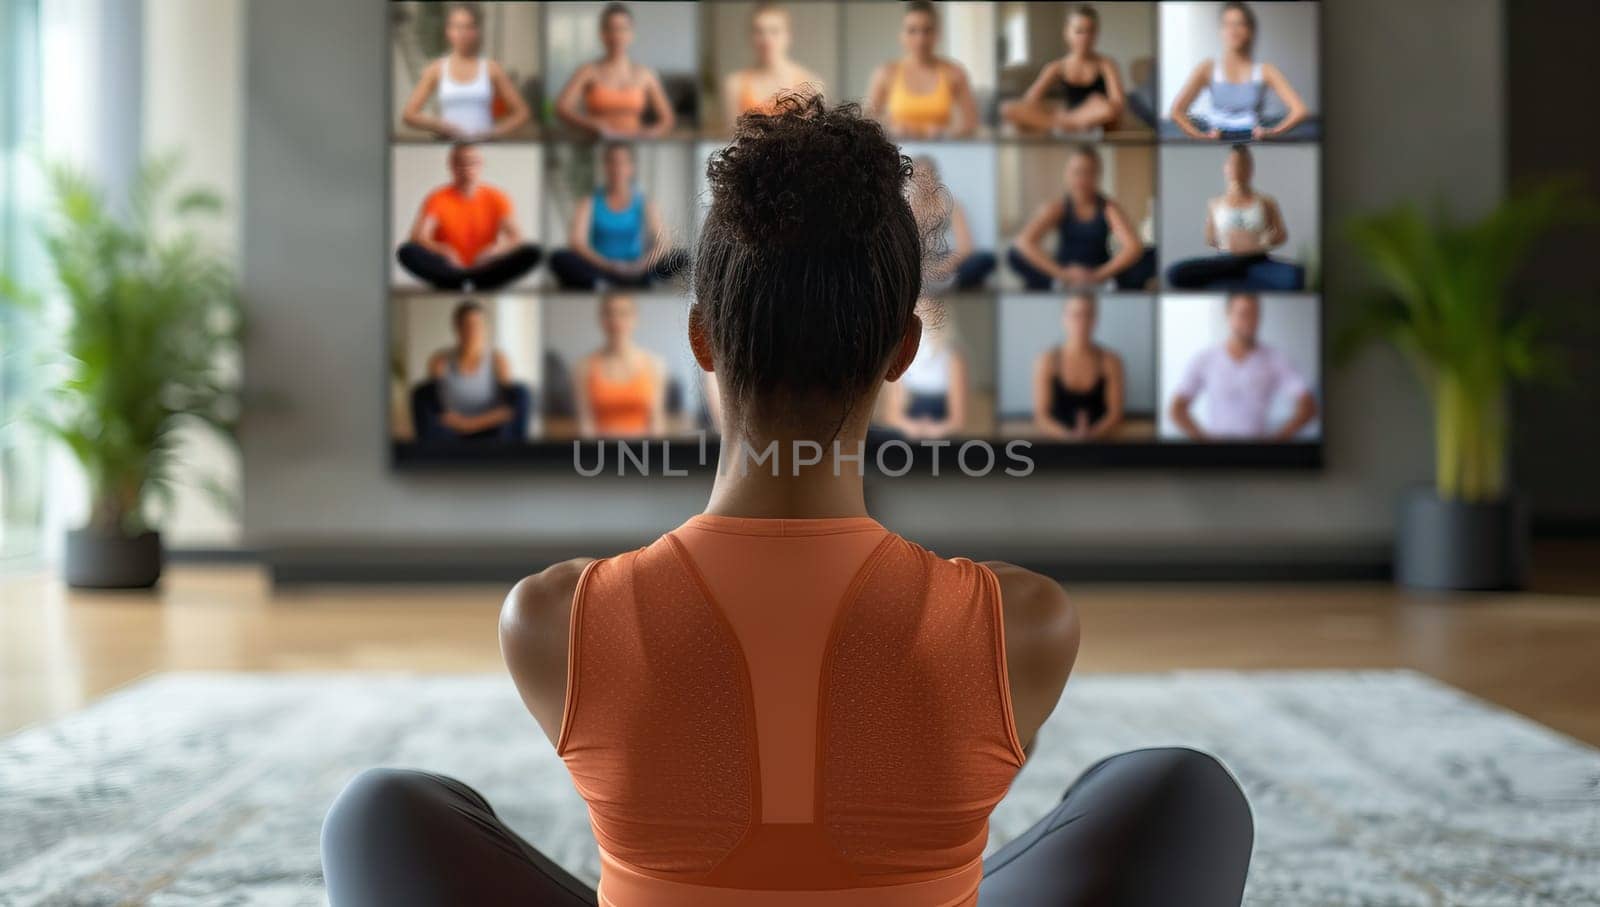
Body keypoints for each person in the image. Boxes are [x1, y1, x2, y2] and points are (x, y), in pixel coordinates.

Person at [323, 96, 1253, 907]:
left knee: (381, 812)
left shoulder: (552, 618)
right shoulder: (1024, 621)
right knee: (1181, 791)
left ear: (701, 338)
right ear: (901, 350)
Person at [1169, 292, 1318, 441]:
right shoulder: (1205, 359)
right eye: (1243, 314)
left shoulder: (1276, 359)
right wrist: (1203, 441)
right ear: (1228, 315)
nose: (1250, 321)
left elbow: (1308, 405)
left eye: (1255, 314)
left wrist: (1278, 440)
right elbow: (1177, 409)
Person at [395, 143, 542, 291]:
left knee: (533, 252)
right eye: (461, 162)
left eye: (472, 162)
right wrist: (443, 250)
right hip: (449, 268)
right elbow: (418, 236)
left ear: (481, 164)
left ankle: (473, 281)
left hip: (485, 268)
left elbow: (516, 238)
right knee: (407, 251)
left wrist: (494, 251)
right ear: (451, 165)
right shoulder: (437, 198)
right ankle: (458, 280)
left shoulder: (497, 197)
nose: (467, 167)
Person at [1007, 144, 1153, 291]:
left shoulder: (1108, 207)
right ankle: (1057, 283)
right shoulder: (1058, 207)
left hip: (1100, 271)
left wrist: (1097, 275)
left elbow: (1133, 247)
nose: (1082, 178)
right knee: (1014, 255)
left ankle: (1102, 284)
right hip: (1064, 271)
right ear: (1067, 174)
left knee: (1150, 256)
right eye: (1077, 172)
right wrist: (1063, 275)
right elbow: (1024, 242)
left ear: (1097, 175)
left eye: (1088, 172)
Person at [548, 143, 689, 290]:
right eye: (612, 162)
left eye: (622, 162)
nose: (617, 168)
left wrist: (640, 266)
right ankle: (604, 283)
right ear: (605, 167)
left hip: (637, 268)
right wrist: (609, 265)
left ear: (631, 167)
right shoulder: (589, 202)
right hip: (601, 268)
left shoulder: (645, 203)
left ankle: (628, 282)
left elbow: (664, 244)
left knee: (681, 257)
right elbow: (576, 242)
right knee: (559, 258)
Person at [1166, 144, 1305, 290]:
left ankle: (1244, 274)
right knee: (1175, 273)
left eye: (1244, 164)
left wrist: (1261, 241)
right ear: (1225, 168)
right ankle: (1233, 274)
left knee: (1295, 276)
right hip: (1225, 261)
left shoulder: (1266, 201)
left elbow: (1281, 235)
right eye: (1233, 164)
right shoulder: (1215, 203)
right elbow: (1210, 239)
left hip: (1257, 260)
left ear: (1251, 169)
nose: (1238, 169)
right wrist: (1228, 241)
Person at [1169, 1, 1308, 141]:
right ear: (1221, 30)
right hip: (1218, 139)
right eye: (1227, 25)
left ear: (1250, 30)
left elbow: (1300, 111)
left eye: (1239, 24)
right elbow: (1176, 112)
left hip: (1251, 139)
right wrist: (1201, 137)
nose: (1233, 30)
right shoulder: (1207, 68)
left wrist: (1272, 133)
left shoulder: (1266, 70)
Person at [398, 2, 532, 142]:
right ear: (448, 31)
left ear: (477, 31)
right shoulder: (436, 69)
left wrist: (494, 132)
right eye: (457, 27)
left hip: (484, 146)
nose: (463, 33)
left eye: (469, 27)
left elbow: (522, 113)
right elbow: (409, 115)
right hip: (448, 146)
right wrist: (439, 125)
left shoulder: (492, 68)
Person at [409, 300, 531, 443]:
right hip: (451, 429)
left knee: (523, 392)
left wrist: (468, 425)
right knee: (420, 392)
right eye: (466, 325)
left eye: (477, 325)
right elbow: (439, 412)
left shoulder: (498, 360)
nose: (472, 330)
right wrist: (458, 424)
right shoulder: (440, 360)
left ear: (485, 328)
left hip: (490, 428)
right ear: (457, 328)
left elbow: (507, 412)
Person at [553, 2, 676, 139]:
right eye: (611, 29)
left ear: (632, 34)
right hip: (597, 144)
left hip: (634, 144)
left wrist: (650, 133)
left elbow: (667, 119)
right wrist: (588, 124)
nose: (617, 35)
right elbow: (561, 108)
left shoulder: (645, 74)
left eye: (623, 29)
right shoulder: (587, 71)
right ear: (602, 34)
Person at [1001, 4, 1127, 136]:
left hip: (1097, 118)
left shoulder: (1106, 64)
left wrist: (1094, 105)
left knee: (1106, 107)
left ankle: (1064, 126)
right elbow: (1029, 100)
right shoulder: (1056, 67)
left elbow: (1118, 104)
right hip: (1070, 117)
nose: (1085, 37)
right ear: (1067, 33)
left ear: (1096, 34)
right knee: (1007, 109)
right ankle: (1071, 126)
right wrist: (1052, 111)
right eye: (1079, 31)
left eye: (1090, 31)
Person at [864, 0, 980, 139]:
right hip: (897, 153)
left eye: (927, 30)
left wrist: (946, 132)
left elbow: (971, 123)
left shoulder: (955, 73)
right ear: (902, 35)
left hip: (943, 153)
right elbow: (867, 120)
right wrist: (891, 128)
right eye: (912, 30)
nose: (920, 39)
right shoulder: (885, 73)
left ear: (937, 34)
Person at [1032, 292, 1125, 441]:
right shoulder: (1046, 361)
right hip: (1057, 441)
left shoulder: (1111, 361)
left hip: (1101, 441)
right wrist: (1069, 437)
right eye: (1075, 315)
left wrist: (1091, 435)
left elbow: (1115, 414)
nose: (1081, 322)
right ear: (1064, 319)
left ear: (1095, 319)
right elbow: (1041, 417)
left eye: (1088, 315)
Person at [571, 294, 665, 438]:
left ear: (635, 318)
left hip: (643, 454)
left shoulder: (655, 365)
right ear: (601, 319)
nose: (616, 320)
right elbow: (585, 424)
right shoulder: (583, 367)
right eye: (609, 313)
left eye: (623, 313)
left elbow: (656, 422)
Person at [721, 3, 824, 130]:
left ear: (788, 36)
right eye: (759, 31)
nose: (766, 39)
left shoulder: (811, 85)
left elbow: (813, 138)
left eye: (774, 31)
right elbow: (733, 139)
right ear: (750, 37)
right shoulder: (734, 85)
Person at [881, 299, 969, 438]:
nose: (921, 308)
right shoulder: (899, 354)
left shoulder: (953, 357)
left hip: (942, 438)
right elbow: (891, 415)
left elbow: (957, 421)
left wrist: (931, 430)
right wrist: (915, 429)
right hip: (906, 437)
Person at [911, 156, 996, 291]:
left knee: (985, 259)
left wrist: (942, 270)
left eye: (926, 175)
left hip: (953, 268)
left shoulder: (953, 205)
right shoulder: (908, 209)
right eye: (917, 176)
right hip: (922, 272)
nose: (923, 182)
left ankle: (955, 286)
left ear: (935, 177)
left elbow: (965, 247)